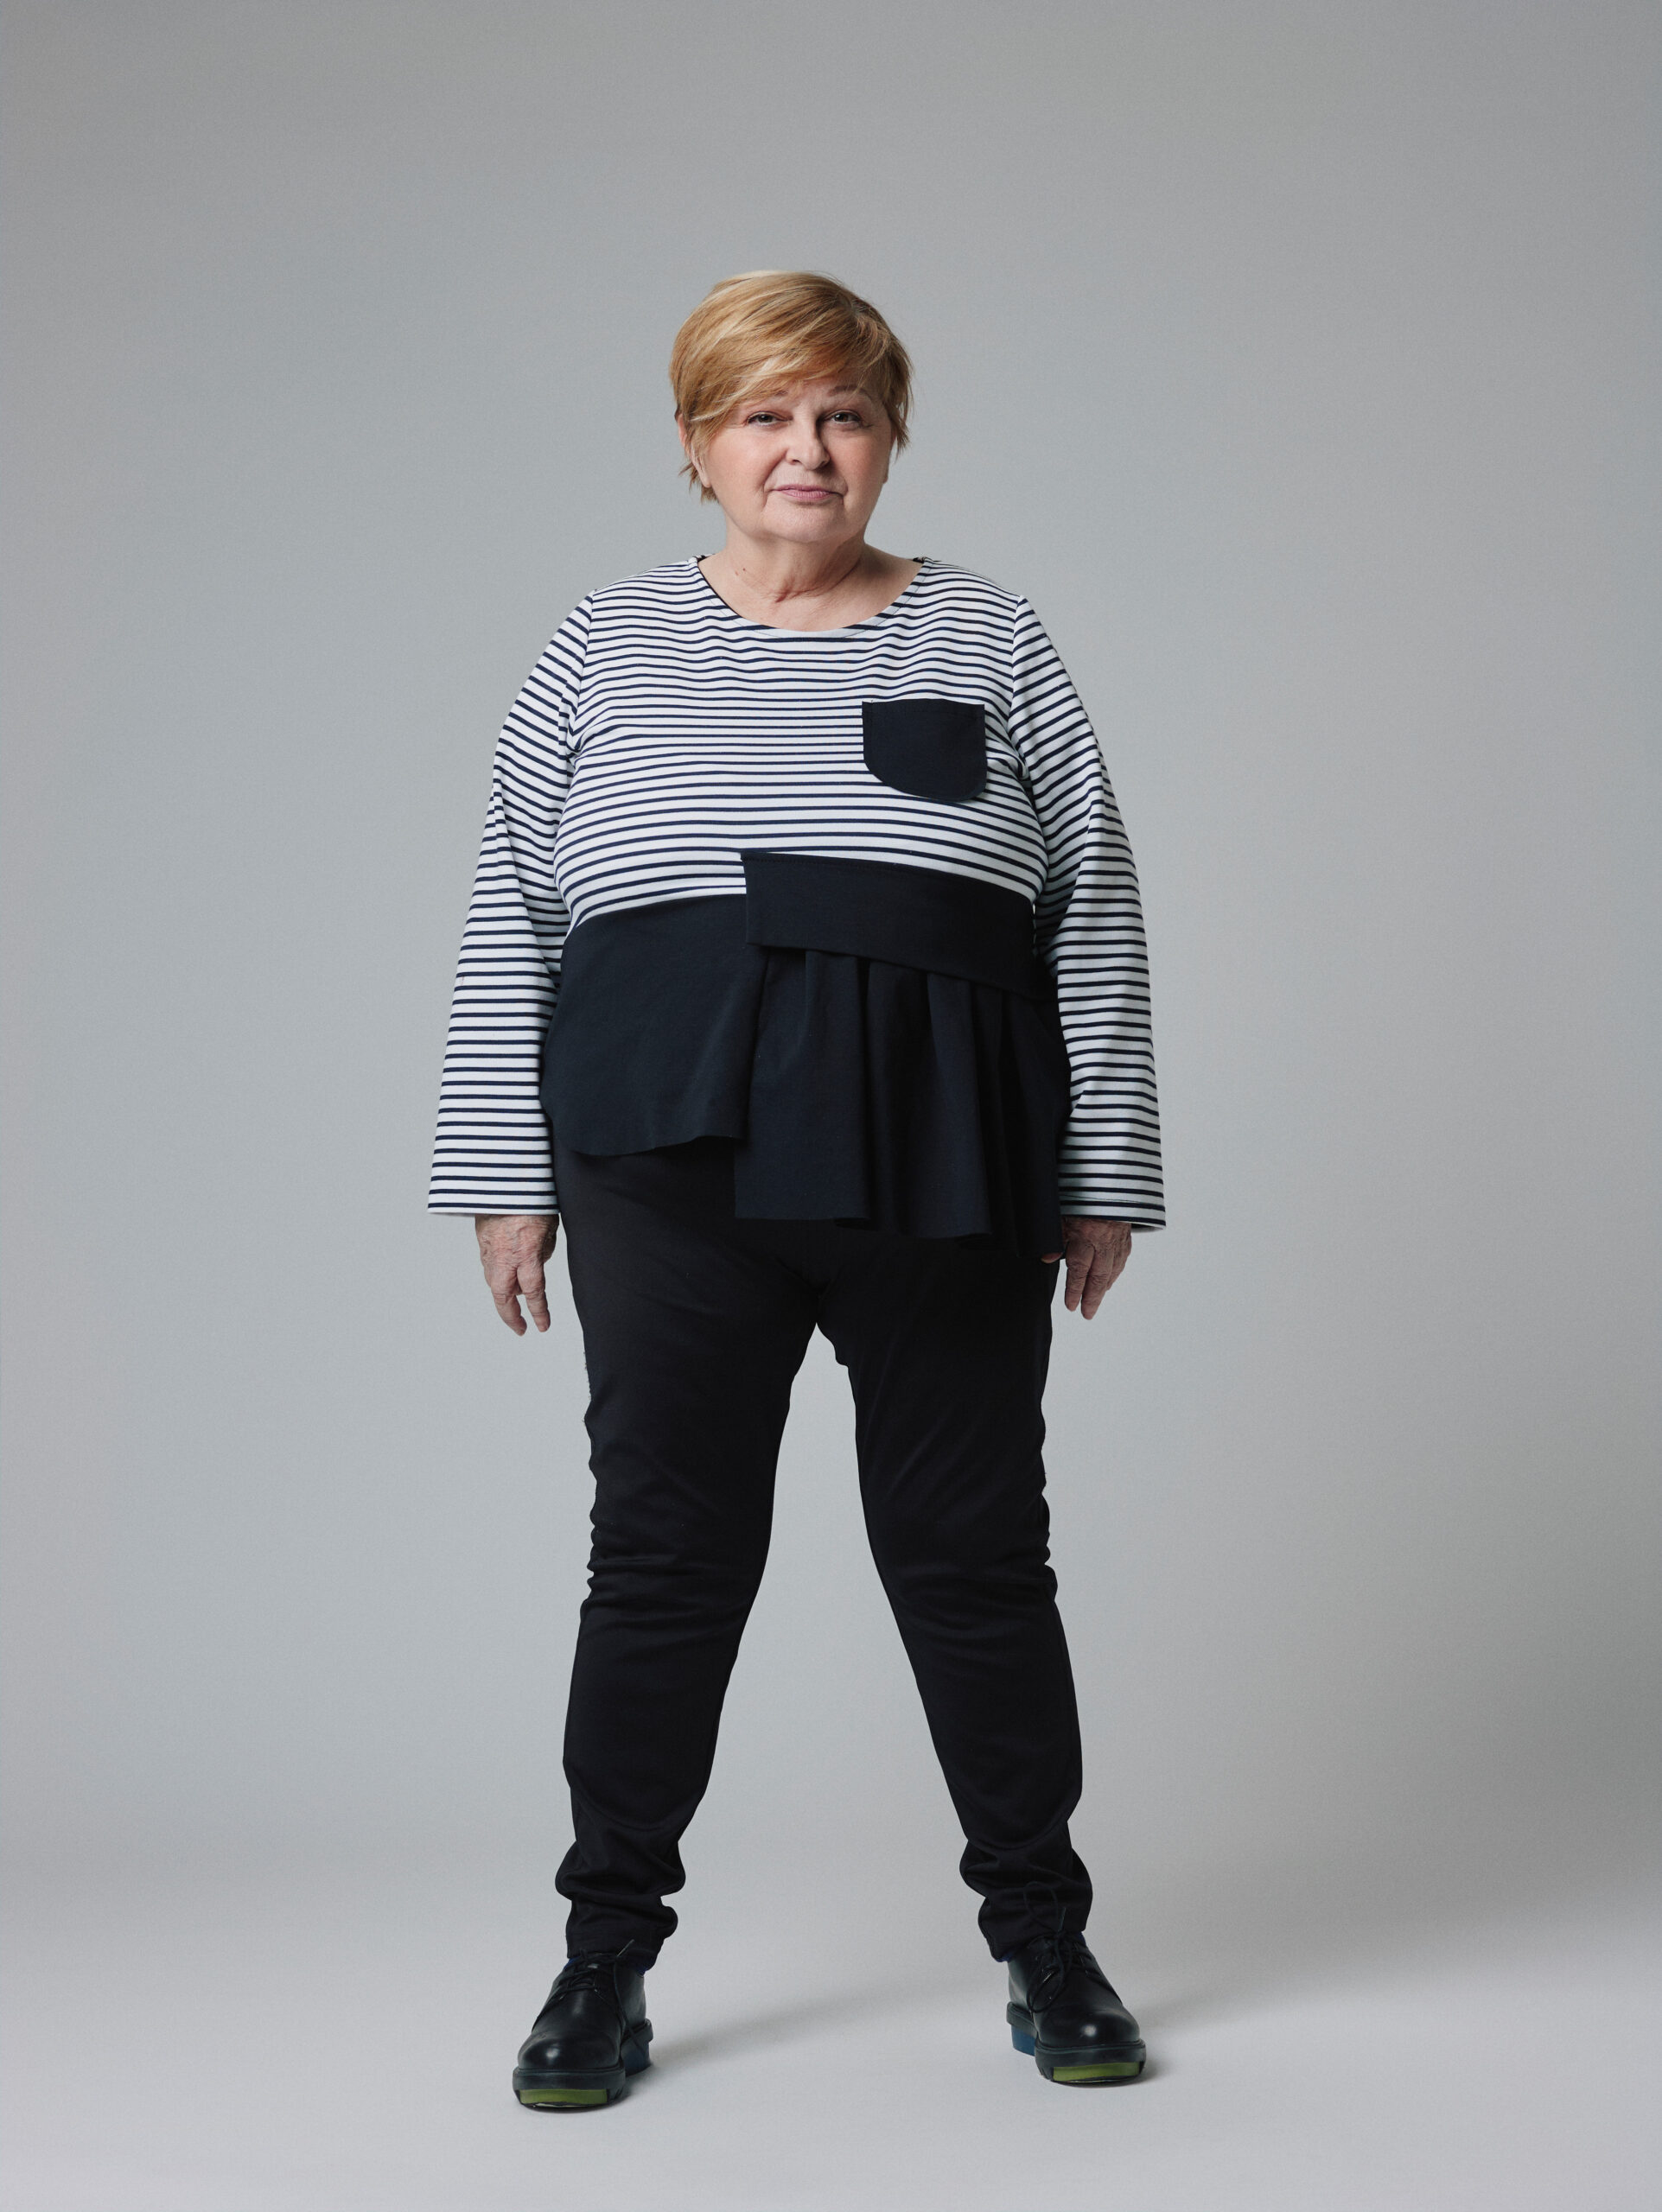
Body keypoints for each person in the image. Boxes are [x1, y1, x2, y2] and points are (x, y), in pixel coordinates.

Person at [430, 270, 1164, 2108]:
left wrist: (1104, 1167)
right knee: (663, 1559)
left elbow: (1091, 903)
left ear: (889, 438)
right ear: (699, 446)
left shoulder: (988, 631)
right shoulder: (601, 641)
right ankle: (602, 1959)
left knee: (974, 1555)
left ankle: (1045, 1936)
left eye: (841, 413)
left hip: (944, 1156)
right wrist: (502, 1175)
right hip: (664, 1163)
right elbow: (514, 911)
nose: (805, 449)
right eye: (763, 414)